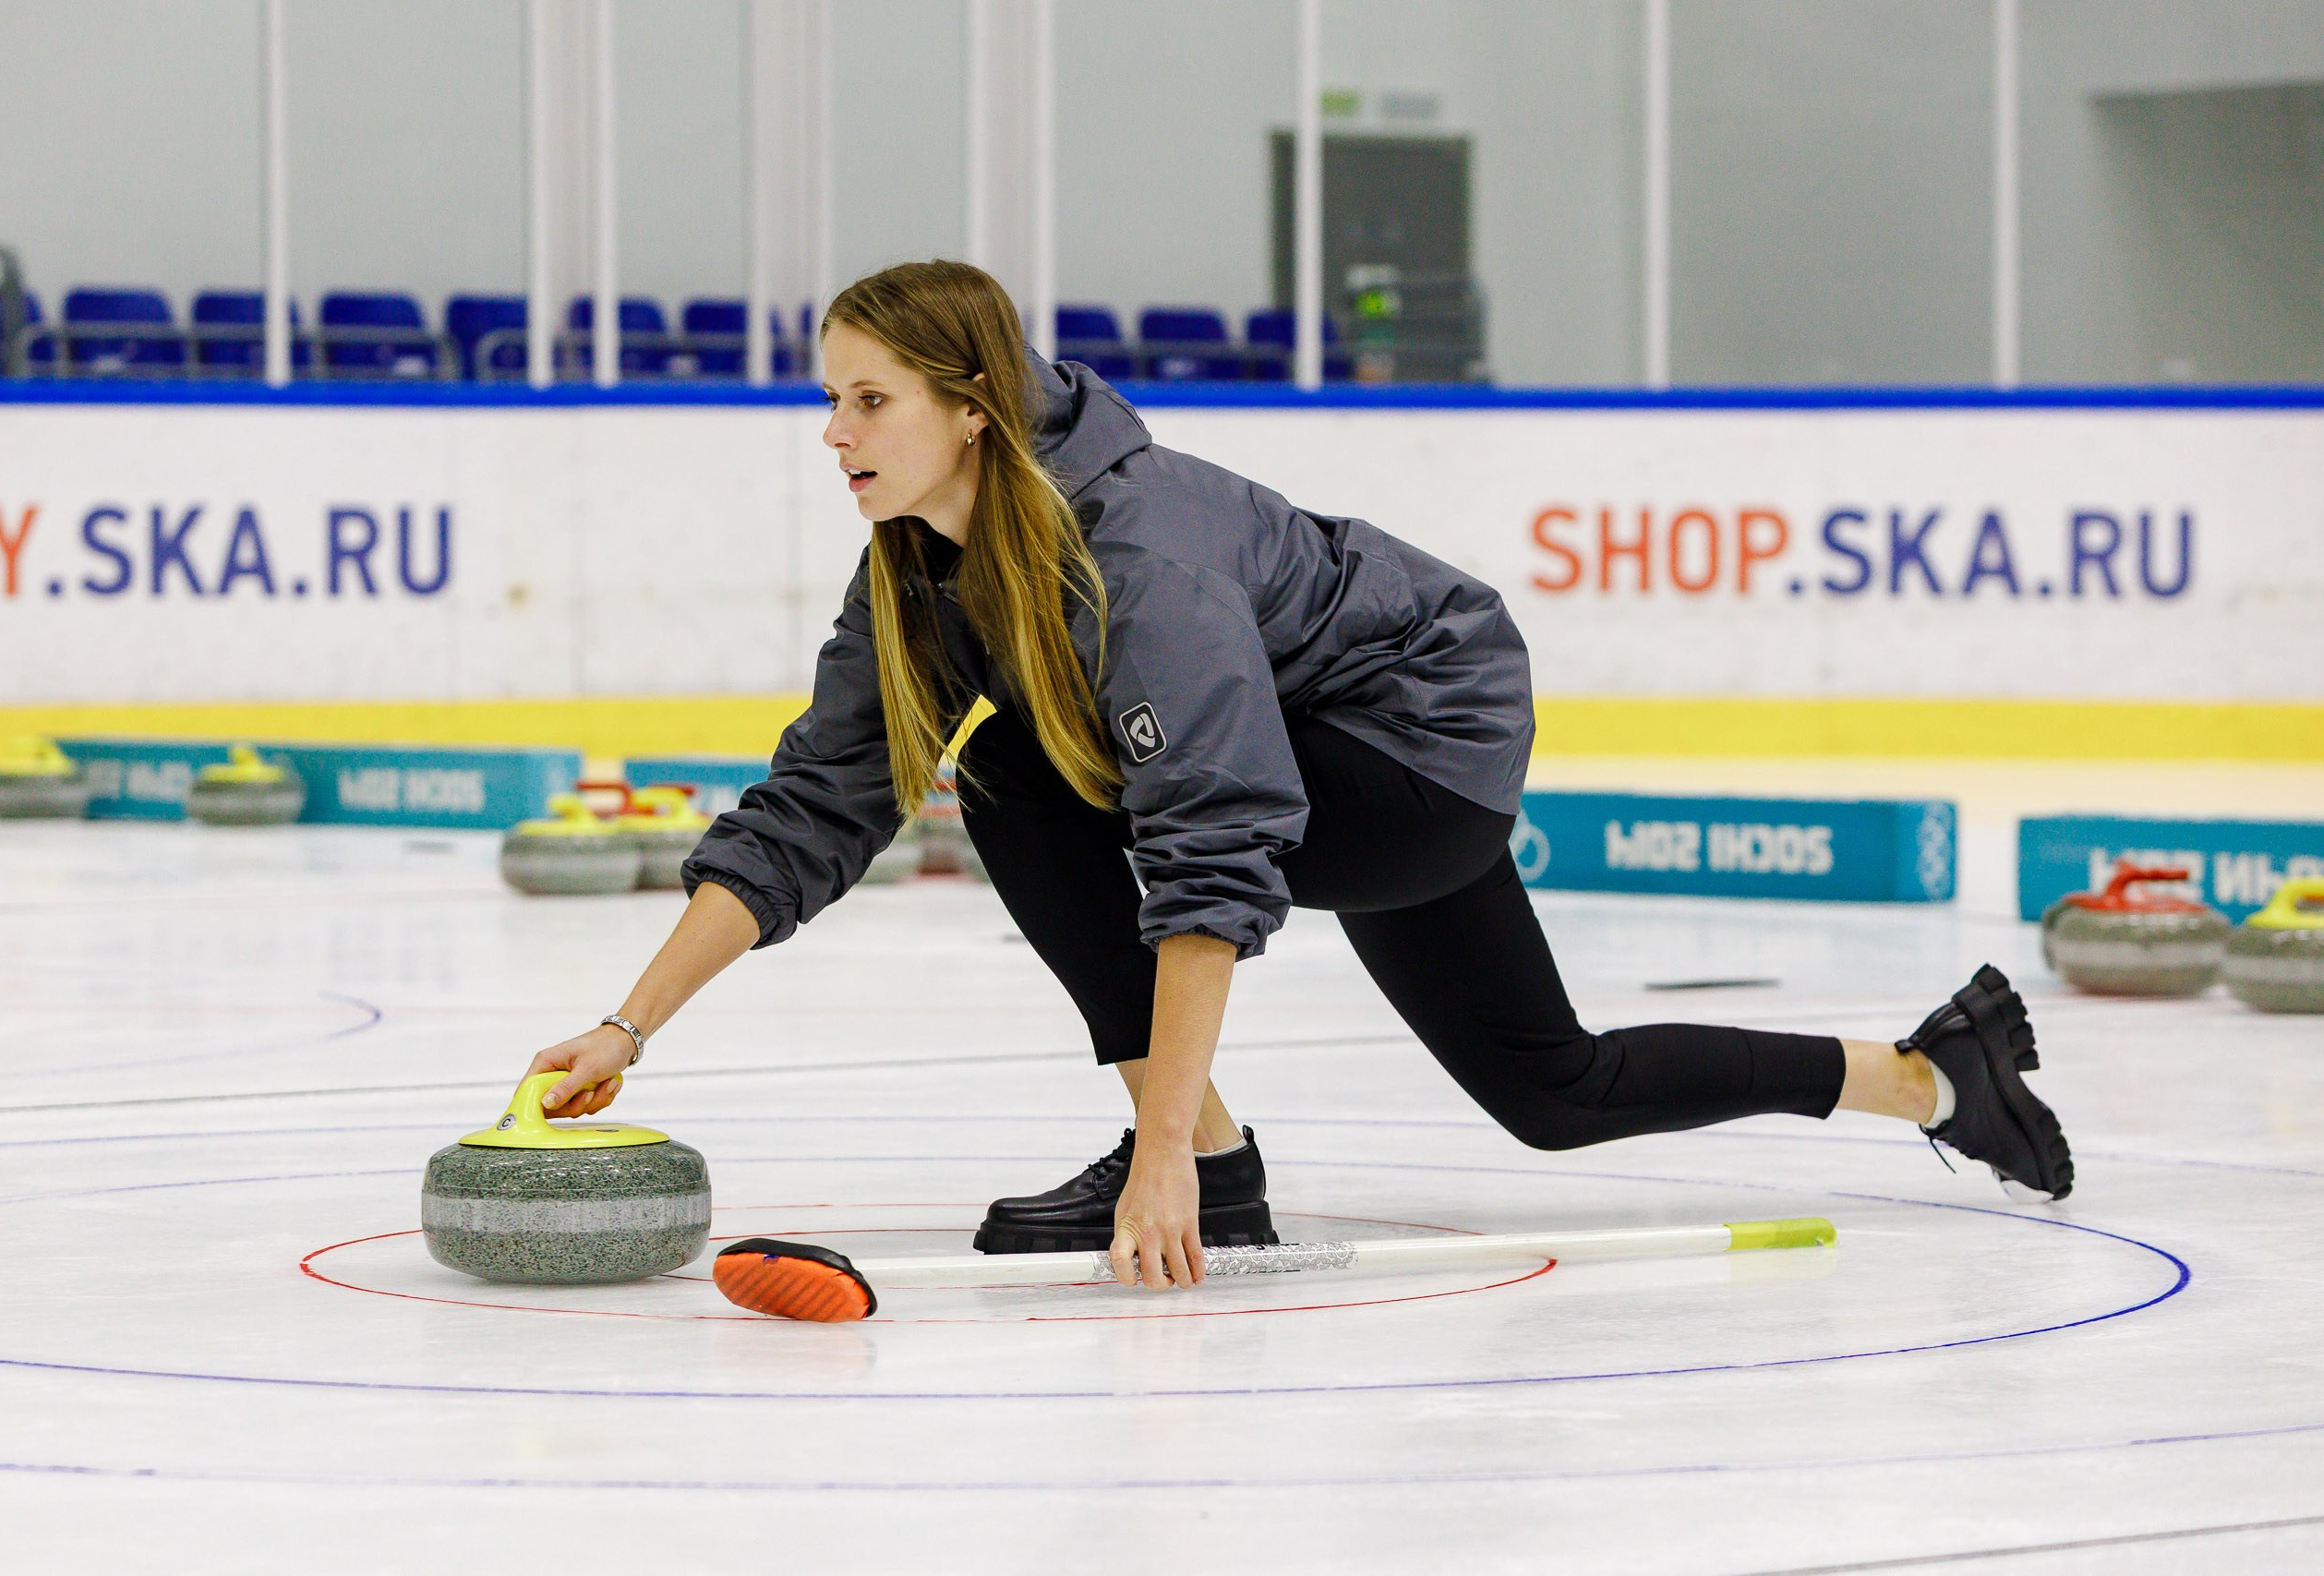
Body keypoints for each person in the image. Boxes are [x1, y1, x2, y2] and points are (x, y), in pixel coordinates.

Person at [522, 259, 2072, 1293]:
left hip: (1419, 755)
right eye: (828, 399)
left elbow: (1214, 843)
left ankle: (1208, 1159)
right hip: (1332, 741)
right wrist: (628, 1026)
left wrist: (1164, 1161)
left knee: (1021, 776)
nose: (832, 432)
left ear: (969, 409)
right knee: (1553, 1091)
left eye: (868, 401)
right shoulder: (914, 572)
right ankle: (1935, 1076)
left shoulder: (1136, 558)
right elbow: (818, 804)